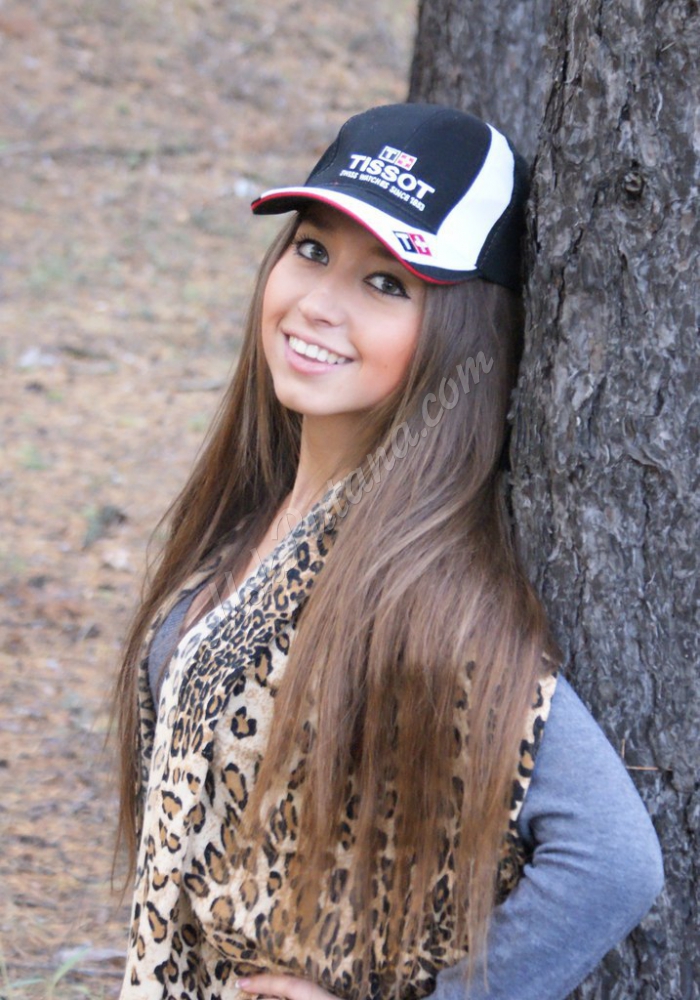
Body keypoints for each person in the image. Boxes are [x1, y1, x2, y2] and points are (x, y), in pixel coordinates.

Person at [114, 104, 664, 1000]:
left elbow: (612, 860)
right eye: (312, 249)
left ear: (460, 334)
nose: (319, 304)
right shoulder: (255, 515)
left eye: (386, 283)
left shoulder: (417, 588)